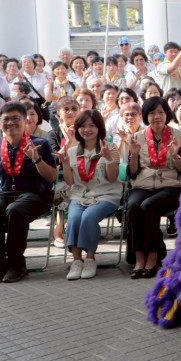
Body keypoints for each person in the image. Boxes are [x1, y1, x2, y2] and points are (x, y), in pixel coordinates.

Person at [0, 102, 57, 284]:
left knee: (15, 210)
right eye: (6, 119)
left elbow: (51, 177)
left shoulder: (40, 143)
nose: (11, 123)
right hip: (5, 193)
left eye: (16, 118)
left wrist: (36, 159)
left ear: (25, 121)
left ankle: (17, 264)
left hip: (36, 193)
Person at [124, 96, 181, 279]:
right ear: (146, 116)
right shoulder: (137, 137)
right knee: (133, 206)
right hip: (143, 184)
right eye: (152, 113)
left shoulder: (179, 135)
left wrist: (175, 157)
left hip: (170, 185)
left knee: (148, 206)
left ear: (167, 114)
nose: (157, 116)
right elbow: (132, 173)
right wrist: (134, 154)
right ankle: (139, 257)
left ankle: (153, 256)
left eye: (161, 112)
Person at [59, 110, 120, 280]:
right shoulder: (72, 151)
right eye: (83, 126)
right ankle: (76, 260)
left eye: (92, 125)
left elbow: (112, 178)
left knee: (88, 216)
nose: (87, 130)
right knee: (73, 218)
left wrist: (108, 159)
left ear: (99, 128)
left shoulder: (110, 148)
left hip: (106, 194)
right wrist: (65, 163)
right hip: (80, 195)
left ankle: (90, 258)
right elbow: (70, 182)